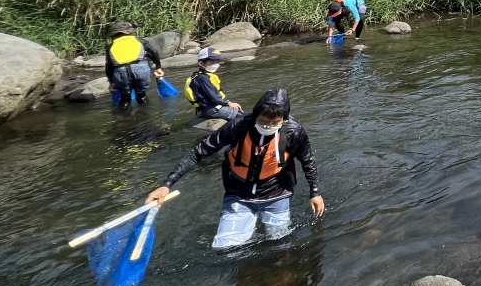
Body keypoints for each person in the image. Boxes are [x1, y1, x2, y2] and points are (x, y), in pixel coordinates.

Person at [146, 88, 324, 249]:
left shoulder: (294, 131)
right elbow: (198, 152)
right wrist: (167, 184)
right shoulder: (238, 126)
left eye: (275, 123)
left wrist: (314, 192)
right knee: (226, 249)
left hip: (277, 195)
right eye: (262, 122)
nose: (268, 127)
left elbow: (308, 160)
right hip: (239, 195)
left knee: (280, 246)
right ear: (255, 116)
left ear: (283, 120)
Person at [105, 22, 164, 106]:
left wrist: (111, 82)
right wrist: (158, 67)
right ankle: (145, 116)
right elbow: (154, 52)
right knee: (141, 95)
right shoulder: (139, 40)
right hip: (141, 69)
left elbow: (108, 66)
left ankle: (121, 117)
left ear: (113, 35)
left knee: (125, 99)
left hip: (121, 72)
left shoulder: (111, 46)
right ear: (129, 32)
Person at [185, 47, 244, 122]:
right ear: (201, 63)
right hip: (210, 110)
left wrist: (229, 102)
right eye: (213, 62)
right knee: (242, 117)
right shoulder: (202, 78)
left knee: (238, 111)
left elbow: (216, 95)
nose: (216, 64)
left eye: (217, 61)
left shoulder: (205, 76)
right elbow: (214, 98)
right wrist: (229, 103)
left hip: (212, 107)